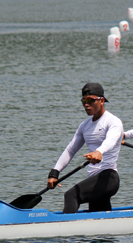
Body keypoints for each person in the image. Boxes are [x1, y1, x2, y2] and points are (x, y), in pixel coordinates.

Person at [47, 83, 123, 213]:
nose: (86, 104)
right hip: (94, 178)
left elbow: (111, 140)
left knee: (71, 195)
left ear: (102, 101)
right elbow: (70, 150)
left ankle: (66, 230)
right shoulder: (84, 126)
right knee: (99, 215)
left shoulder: (113, 122)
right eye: (84, 101)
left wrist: (99, 151)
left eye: (91, 100)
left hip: (108, 177)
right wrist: (55, 173)